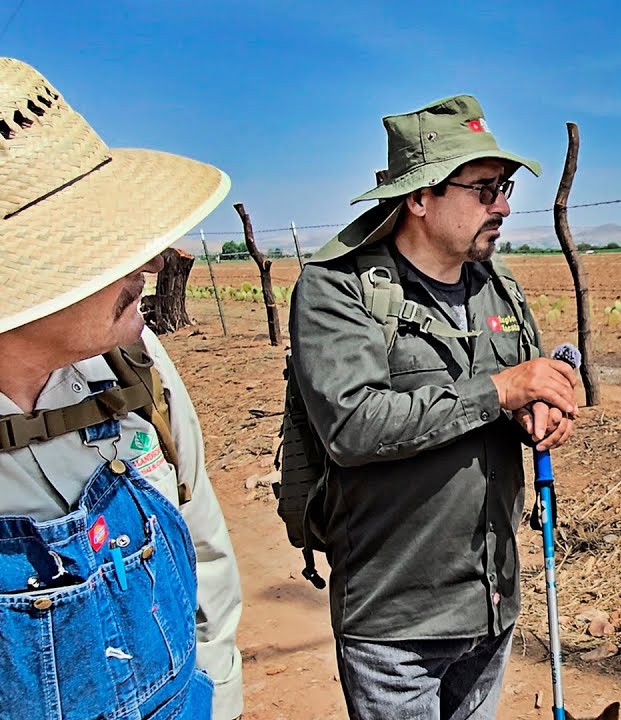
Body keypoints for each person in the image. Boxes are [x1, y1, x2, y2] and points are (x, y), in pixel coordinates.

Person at [288, 94, 578, 719]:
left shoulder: (496, 285)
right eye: (484, 189)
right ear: (419, 198)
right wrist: (500, 391)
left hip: (492, 596)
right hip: (398, 620)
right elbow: (352, 425)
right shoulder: (337, 289)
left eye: (504, 188)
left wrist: (537, 414)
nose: (502, 205)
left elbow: (517, 397)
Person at [0, 58, 243, 718]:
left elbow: (204, 545)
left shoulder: (135, 362)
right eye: (99, 245)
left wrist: (217, 697)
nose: (153, 262)